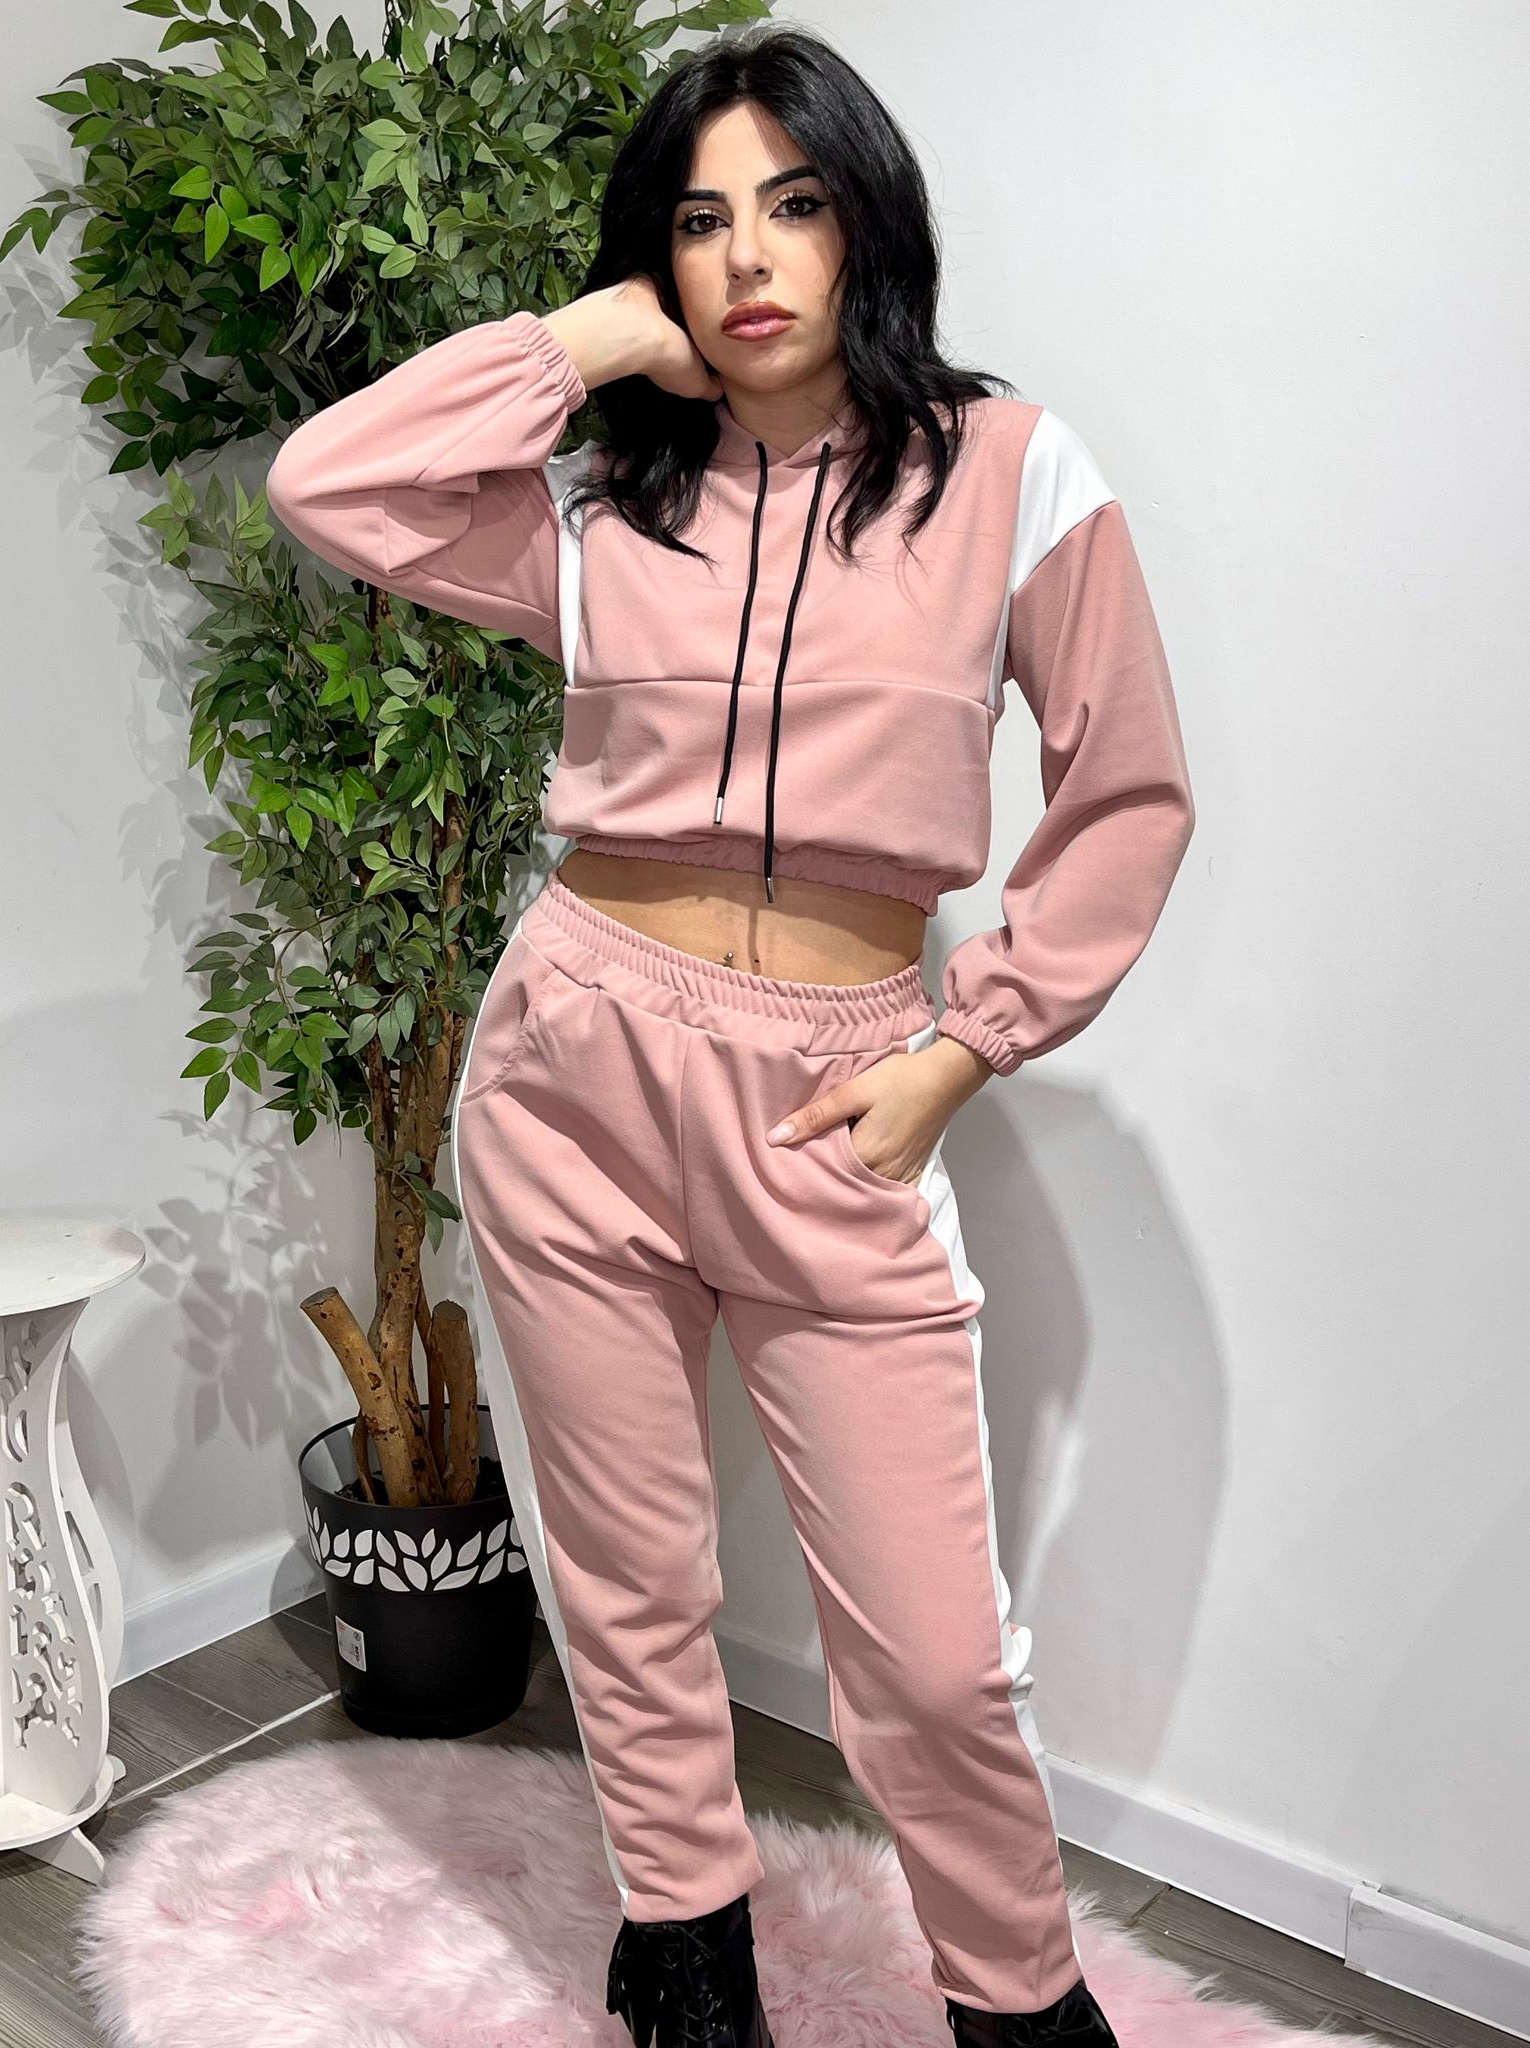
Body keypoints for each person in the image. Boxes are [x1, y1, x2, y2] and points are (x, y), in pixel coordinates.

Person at [266, 23, 1192, 2046]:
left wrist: (966, 1047)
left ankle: (1020, 2001)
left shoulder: (1010, 472)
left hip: (838, 1089)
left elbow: (1126, 794)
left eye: (795, 203)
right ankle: (686, 1948)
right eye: (698, 223)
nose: (749, 258)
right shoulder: (604, 506)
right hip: (573, 1066)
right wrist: (584, 341)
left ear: (868, 225)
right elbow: (325, 481)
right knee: (626, 1575)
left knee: (930, 1663)